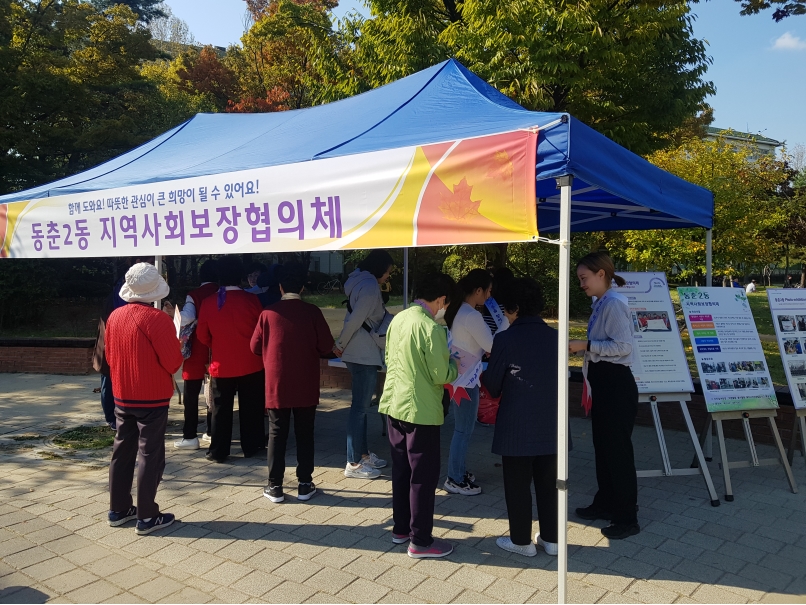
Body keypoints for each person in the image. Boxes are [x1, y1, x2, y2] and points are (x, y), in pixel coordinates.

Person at [379, 272, 458, 559]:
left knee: (400, 470)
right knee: (422, 478)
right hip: (421, 411)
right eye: (445, 303)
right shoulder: (432, 328)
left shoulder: (398, 318)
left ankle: (401, 529)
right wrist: (455, 365)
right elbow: (440, 374)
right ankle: (421, 541)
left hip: (394, 405)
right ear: (440, 299)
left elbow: (389, 358)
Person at [482, 277, 559, 557]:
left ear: (514, 307)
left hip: (517, 423)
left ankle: (521, 541)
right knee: (549, 484)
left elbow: (493, 384)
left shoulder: (505, 338)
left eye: (506, 309)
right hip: (553, 421)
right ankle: (552, 539)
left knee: (517, 484)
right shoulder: (556, 337)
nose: (504, 314)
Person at [105, 263, 183, 534]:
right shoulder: (158, 319)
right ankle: (148, 515)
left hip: (123, 394)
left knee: (121, 451)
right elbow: (173, 363)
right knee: (150, 454)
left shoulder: (115, 316)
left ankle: (118, 508)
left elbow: (110, 357)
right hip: (152, 395)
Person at [569, 252, 640, 540]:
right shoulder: (601, 303)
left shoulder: (613, 304)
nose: (582, 284)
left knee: (618, 452)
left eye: (584, 278)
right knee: (604, 447)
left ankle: (626, 517)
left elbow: (623, 346)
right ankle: (606, 502)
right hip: (603, 383)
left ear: (602, 274)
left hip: (615, 385)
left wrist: (585, 345)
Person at [250, 264, 335, 503]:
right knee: (305, 432)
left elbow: (254, 347)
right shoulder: (312, 312)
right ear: (303, 288)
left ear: (279, 287)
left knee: (277, 433)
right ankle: (305, 484)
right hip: (306, 381)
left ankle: (274, 485)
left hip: (277, 382)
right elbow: (327, 345)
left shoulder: (268, 313)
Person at [196, 256, 266, 463]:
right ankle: (252, 445)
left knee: (220, 409)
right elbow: (261, 331)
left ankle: (218, 450)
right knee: (251, 407)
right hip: (251, 362)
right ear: (241, 277)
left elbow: (202, 335)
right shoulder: (252, 300)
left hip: (221, 363)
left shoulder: (209, 303)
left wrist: (216, 345)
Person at [334, 249, 395, 479]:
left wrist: (342, 345)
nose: (388, 276)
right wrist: (340, 343)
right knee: (359, 409)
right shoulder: (370, 287)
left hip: (358, 352)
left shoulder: (358, 281)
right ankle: (354, 463)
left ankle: (362, 455)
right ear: (379, 269)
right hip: (363, 353)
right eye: (388, 272)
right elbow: (355, 320)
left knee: (361, 409)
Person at [443, 269, 495, 496]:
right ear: (478, 290)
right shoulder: (472, 315)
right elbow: (491, 345)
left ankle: (459, 470)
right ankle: (454, 477)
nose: (489, 297)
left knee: (462, 428)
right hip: (466, 380)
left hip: (458, 376)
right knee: (464, 430)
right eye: (488, 292)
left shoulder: (457, 310)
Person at [168, 259, 219, 450]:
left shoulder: (195, 295)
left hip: (197, 349)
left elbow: (187, 317)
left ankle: (190, 436)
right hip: (218, 349)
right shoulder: (222, 293)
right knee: (213, 393)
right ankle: (212, 431)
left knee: (191, 394)